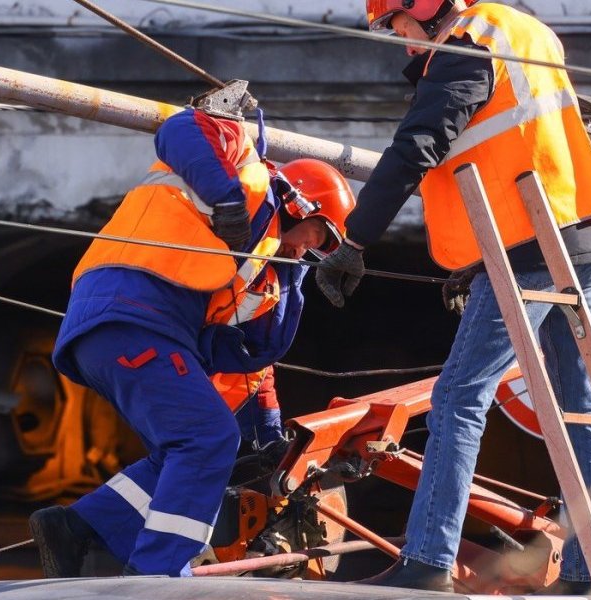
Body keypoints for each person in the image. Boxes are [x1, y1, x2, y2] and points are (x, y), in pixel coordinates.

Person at [316, 0, 591, 593]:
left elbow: (416, 147)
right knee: (579, 410)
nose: (404, 43)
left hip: (527, 249)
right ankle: (589, 575)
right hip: (577, 236)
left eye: (399, 26)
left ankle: (429, 560)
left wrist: (354, 241)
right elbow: (518, 146)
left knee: (459, 397)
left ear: (425, 7)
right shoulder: (523, 30)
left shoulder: (466, 46)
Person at [29, 105, 356, 579]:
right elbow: (181, 128)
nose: (308, 251)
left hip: (115, 332)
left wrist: (268, 435)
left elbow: (251, 362)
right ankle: (159, 573)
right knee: (209, 439)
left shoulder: (259, 267)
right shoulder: (244, 177)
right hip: (134, 316)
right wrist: (228, 200)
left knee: (181, 451)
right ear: (304, 205)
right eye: (320, 238)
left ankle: (76, 528)